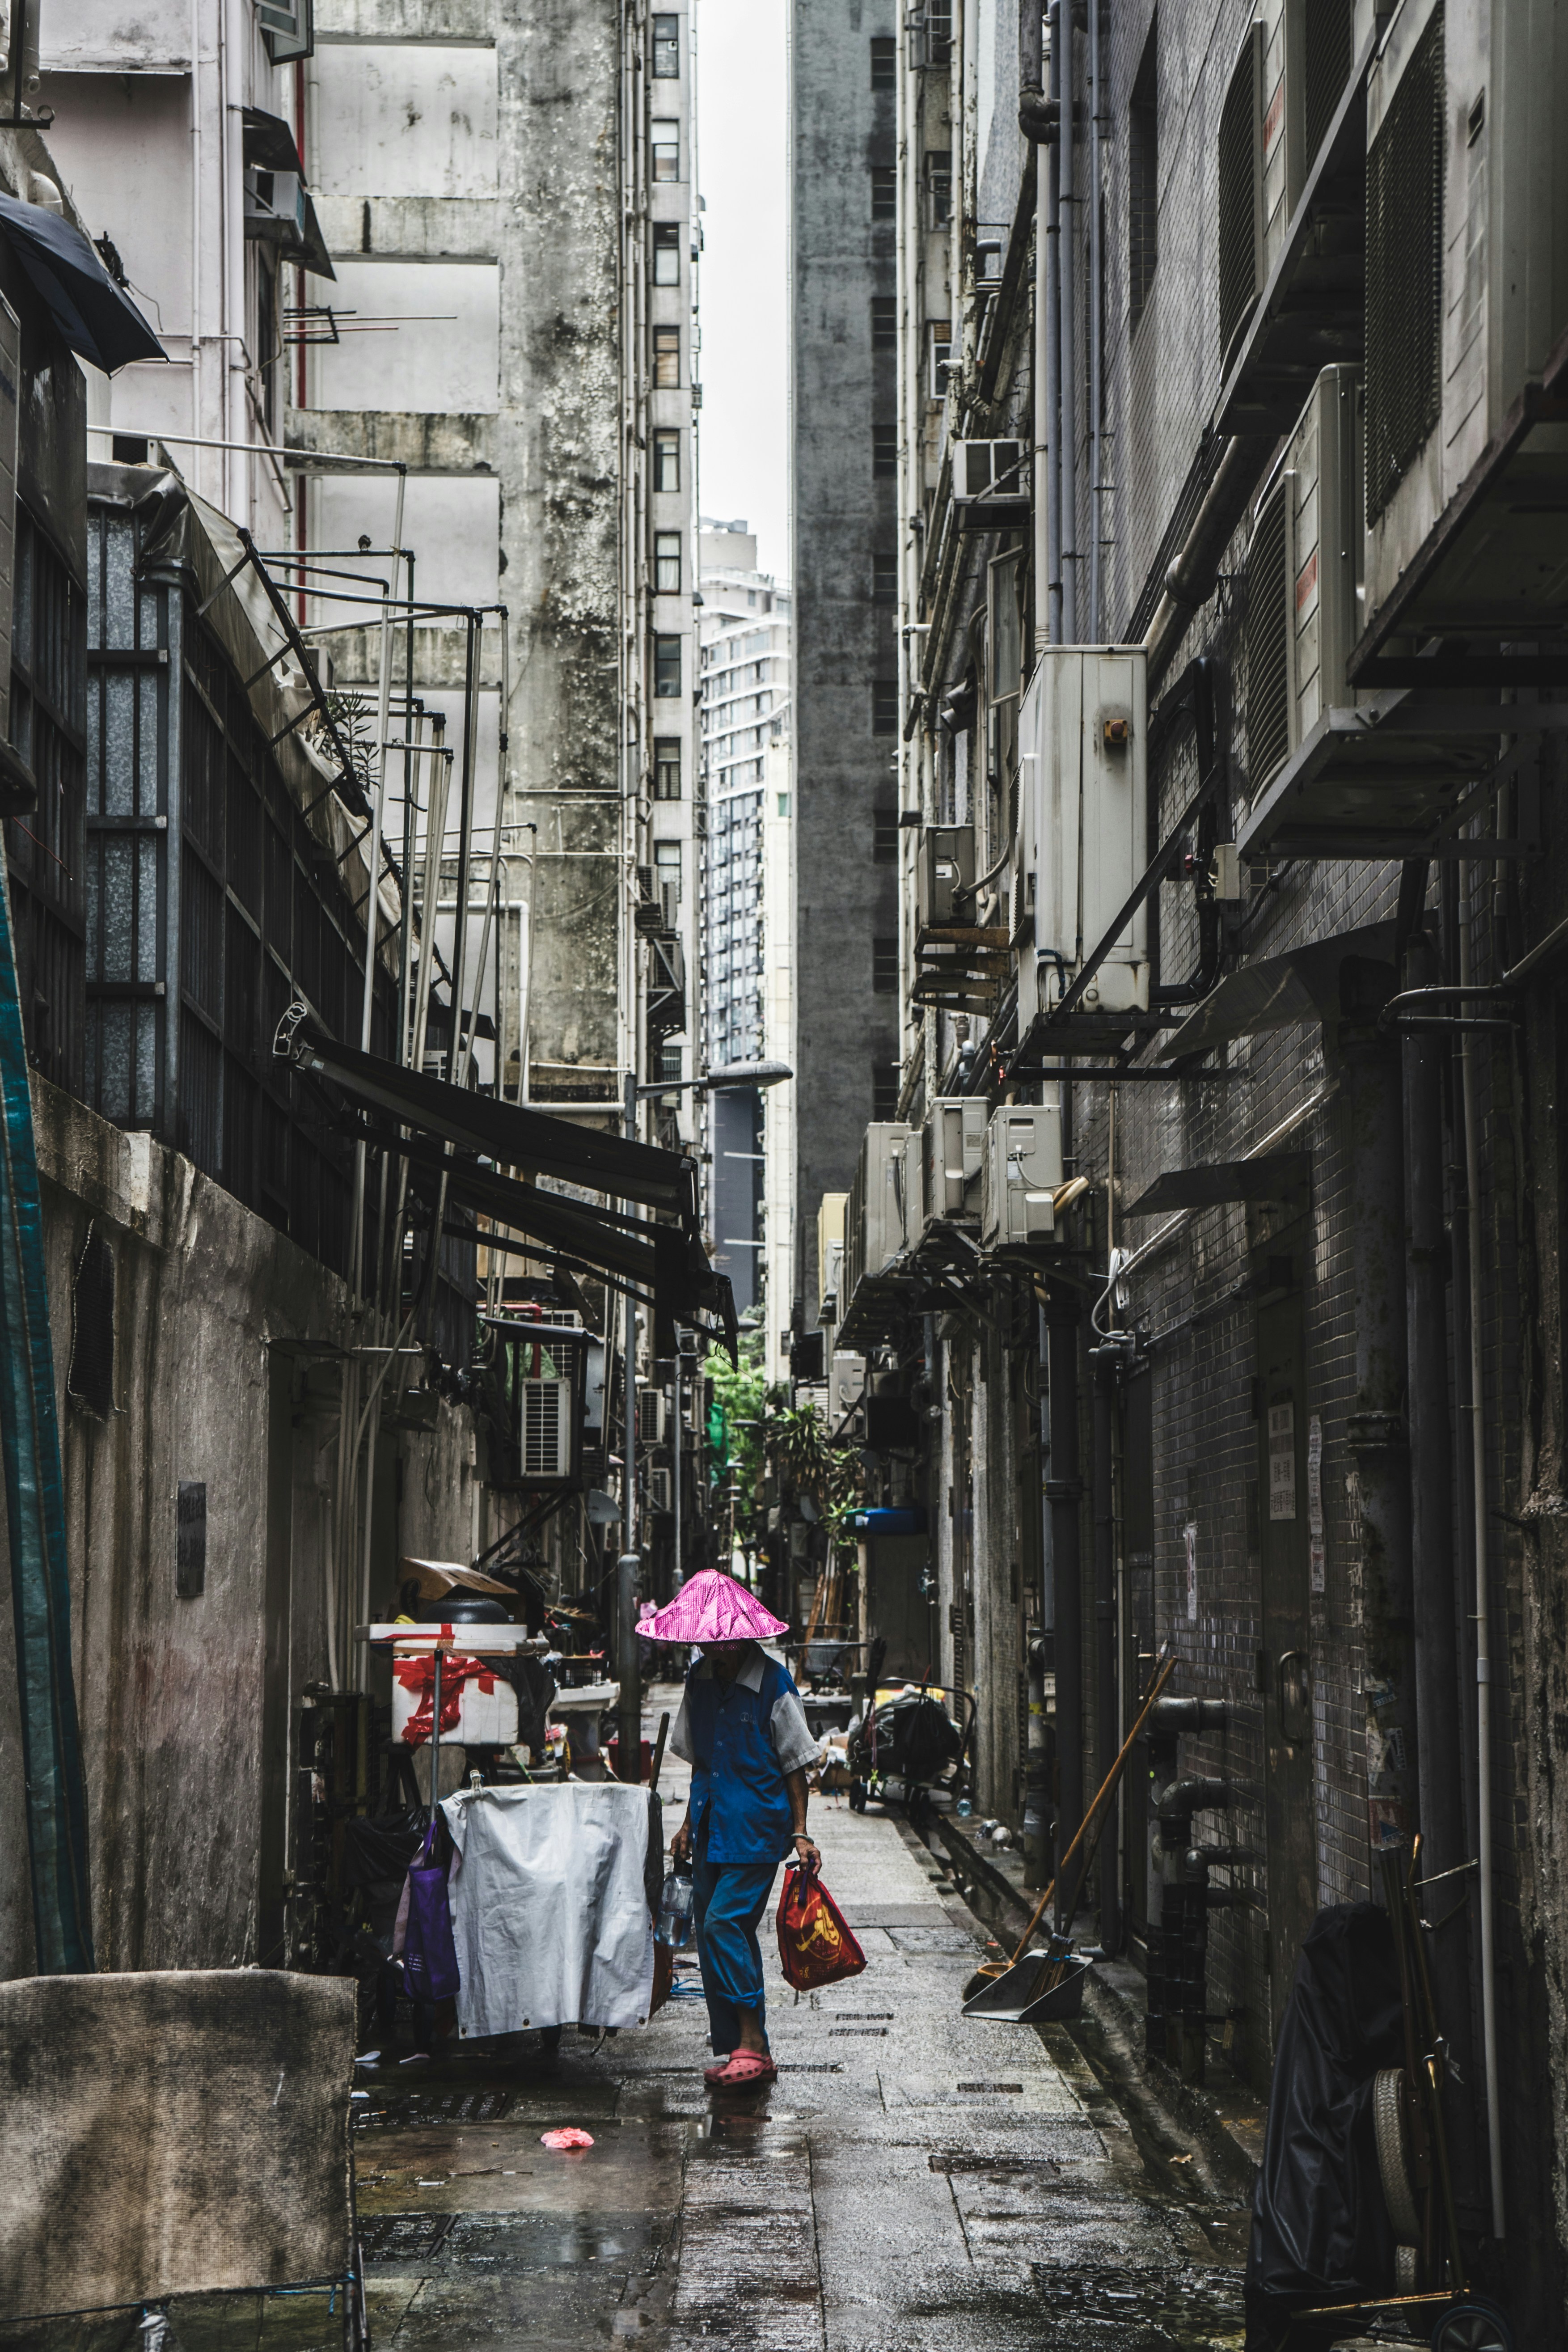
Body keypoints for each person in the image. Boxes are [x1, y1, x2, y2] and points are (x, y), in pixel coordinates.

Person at [647, 1569, 820, 2088]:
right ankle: (734, 2045)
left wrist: (801, 1832)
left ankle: (754, 2042)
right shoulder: (699, 1681)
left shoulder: (773, 1683)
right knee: (718, 1934)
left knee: (723, 1925)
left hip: (756, 1829)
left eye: (719, 1639)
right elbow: (700, 1759)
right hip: (708, 1825)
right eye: (704, 1639)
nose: (711, 1647)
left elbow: (796, 1763)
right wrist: (683, 1824)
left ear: (743, 1635)